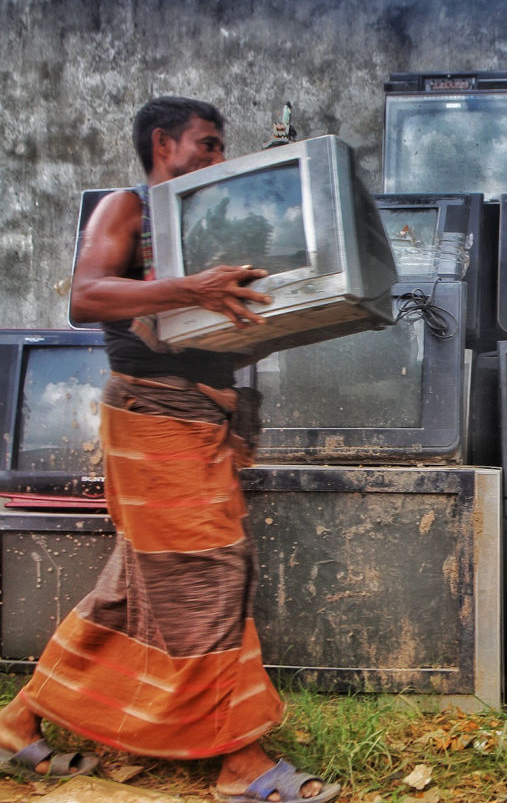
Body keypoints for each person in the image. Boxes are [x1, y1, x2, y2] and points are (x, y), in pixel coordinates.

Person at [0, 96, 339, 803]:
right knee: (208, 575)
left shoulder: (209, 229)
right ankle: (240, 761)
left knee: (134, 588)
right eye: (208, 144)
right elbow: (85, 297)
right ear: (163, 143)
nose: (220, 158)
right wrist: (192, 288)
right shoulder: (126, 208)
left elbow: (217, 331)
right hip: (153, 419)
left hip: (202, 421)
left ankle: (17, 722)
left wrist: (293, 314)